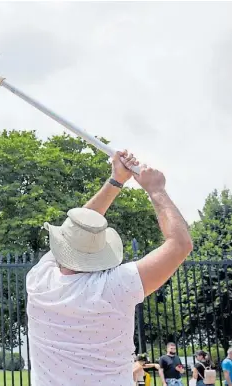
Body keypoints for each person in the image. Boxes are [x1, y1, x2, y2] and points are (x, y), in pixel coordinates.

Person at [25, 150, 194, 386]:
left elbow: (77, 230)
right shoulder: (116, 286)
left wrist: (116, 180)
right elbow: (180, 244)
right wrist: (155, 189)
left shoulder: (39, 280)